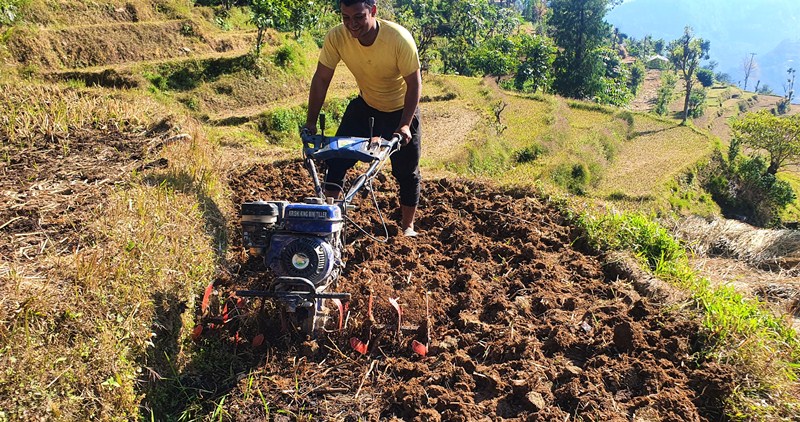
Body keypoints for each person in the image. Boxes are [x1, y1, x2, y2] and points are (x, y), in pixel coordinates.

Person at [302, 0, 422, 237]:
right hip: (365, 107)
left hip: (401, 109)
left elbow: (414, 83)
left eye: (358, 17)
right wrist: (310, 122)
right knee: (336, 156)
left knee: (406, 171)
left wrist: (405, 125)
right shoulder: (337, 37)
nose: (351, 24)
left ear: (373, 11)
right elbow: (322, 79)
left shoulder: (398, 38)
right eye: (345, 17)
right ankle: (328, 214)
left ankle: (407, 226)